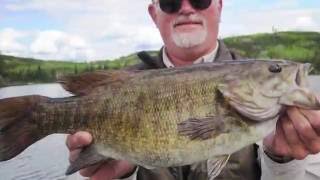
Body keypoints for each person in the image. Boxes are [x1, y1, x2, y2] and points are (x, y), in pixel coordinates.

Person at [66, 0, 320, 179]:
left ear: (219, 5)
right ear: (154, 13)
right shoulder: (123, 83)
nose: (186, 9)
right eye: (170, 2)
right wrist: (121, 175)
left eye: (199, 0)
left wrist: (283, 161)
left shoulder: (282, 108)